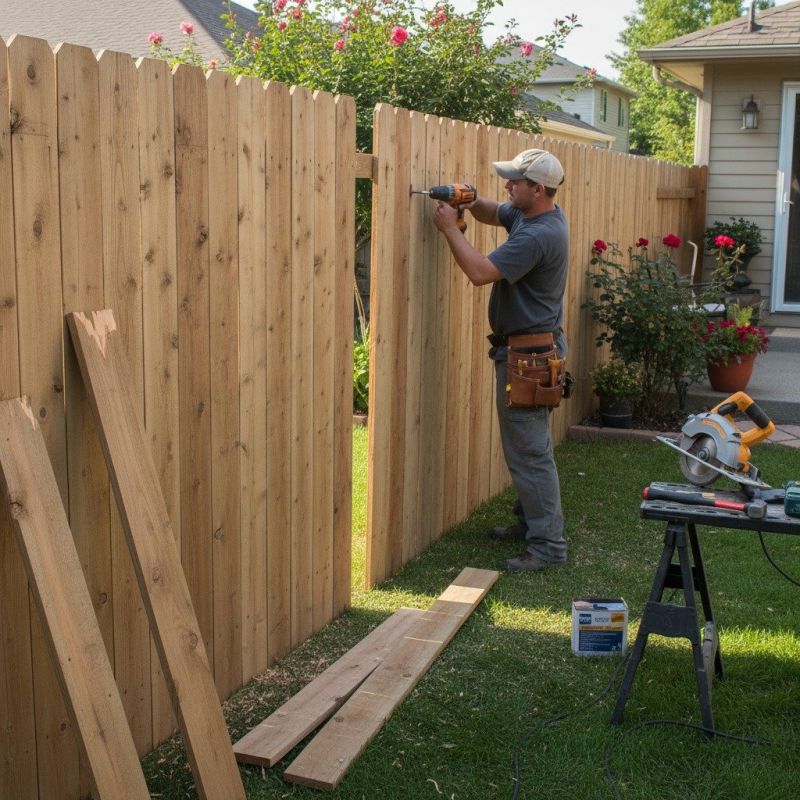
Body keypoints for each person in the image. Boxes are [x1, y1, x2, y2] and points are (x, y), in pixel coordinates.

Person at [431, 148, 568, 572]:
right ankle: (532, 524)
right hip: (532, 350)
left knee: (530, 454)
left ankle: (547, 547)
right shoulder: (535, 215)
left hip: (528, 357)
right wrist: (468, 200)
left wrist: (450, 229)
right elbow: (497, 211)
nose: (507, 186)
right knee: (531, 447)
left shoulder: (537, 236)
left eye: (514, 181)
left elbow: (479, 272)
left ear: (538, 189)